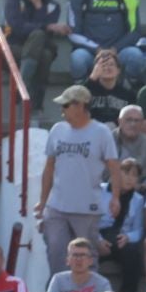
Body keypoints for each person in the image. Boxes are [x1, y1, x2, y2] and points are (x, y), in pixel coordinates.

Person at [40, 85, 118, 275]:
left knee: (87, 257)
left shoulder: (101, 132)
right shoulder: (57, 129)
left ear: (80, 106)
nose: (62, 110)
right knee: (56, 253)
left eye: (66, 105)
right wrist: (42, 202)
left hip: (87, 207)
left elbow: (114, 168)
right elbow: (49, 167)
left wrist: (115, 197)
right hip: (57, 205)